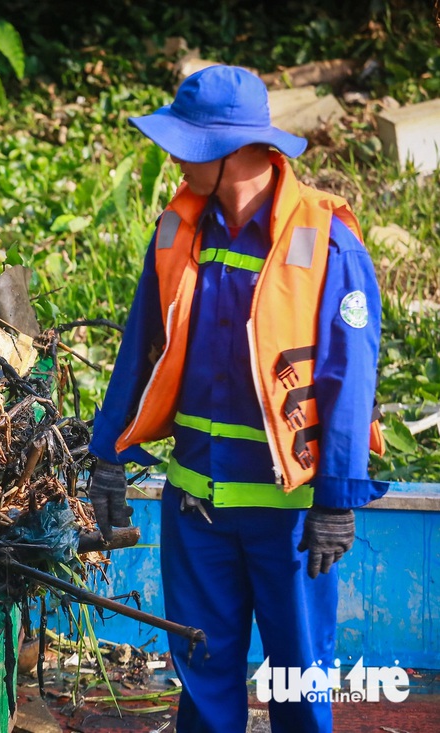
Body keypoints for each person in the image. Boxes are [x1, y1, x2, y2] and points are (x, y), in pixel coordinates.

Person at [85, 65, 388, 732]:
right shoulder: (176, 229)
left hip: (290, 520)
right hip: (196, 511)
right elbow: (141, 347)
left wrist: (338, 498)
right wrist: (107, 452)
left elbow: (350, 376)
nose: (171, 155)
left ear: (229, 152)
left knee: (300, 680)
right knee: (203, 681)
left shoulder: (327, 239)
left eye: (184, 142)